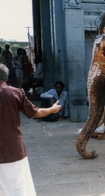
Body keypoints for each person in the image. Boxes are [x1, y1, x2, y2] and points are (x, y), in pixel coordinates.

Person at [0, 63, 62, 196]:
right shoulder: (15, 93)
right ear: (6, 78)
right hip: (12, 148)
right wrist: (52, 109)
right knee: (18, 187)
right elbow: (36, 113)